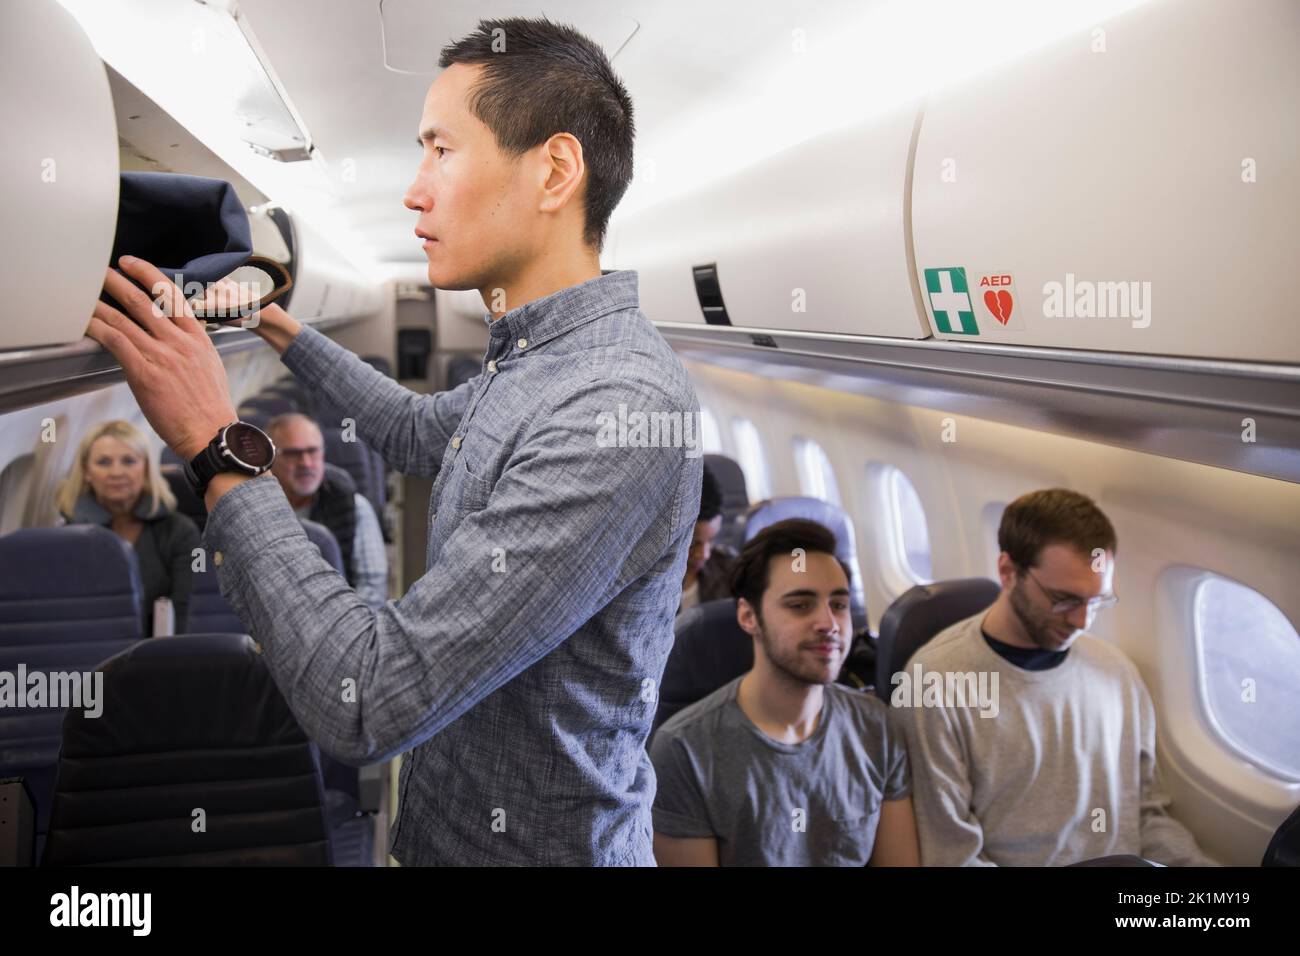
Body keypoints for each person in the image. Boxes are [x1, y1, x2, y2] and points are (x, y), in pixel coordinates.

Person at [85, 17, 702, 865]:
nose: (414, 191)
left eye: (441, 151)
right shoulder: (538, 361)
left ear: (554, 170)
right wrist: (278, 326)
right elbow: (415, 430)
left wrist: (215, 439)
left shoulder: (614, 405)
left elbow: (365, 699)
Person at [895, 488, 1216, 866]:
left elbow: (1145, 815)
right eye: (1064, 599)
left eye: (1095, 602)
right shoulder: (936, 684)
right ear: (1008, 572)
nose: (1081, 622)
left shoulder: (1115, 672)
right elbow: (953, 853)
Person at [651, 518, 919, 866]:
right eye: (800, 605)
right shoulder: (684, 749)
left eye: (838, 605)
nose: (828, 623)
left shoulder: (877, 728)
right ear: (748, 616)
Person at [55, 420, 199, 636]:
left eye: (128, 461)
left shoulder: (178, 532)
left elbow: (185, 612)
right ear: (86, 472)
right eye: (103, 462)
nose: (116, 472)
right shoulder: (68, 539)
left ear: (146, 467)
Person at [265, 413, 388, 610]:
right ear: (270, 458)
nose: (305, 463)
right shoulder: (258, 510)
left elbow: (371, 587)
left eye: (312, 451)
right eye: (292, 454)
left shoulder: (354, 507)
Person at [677, 463, 735, 616]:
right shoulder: (648, 586)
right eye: (693, 544)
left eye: (711, 540)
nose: (704, 554)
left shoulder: (728, 568)